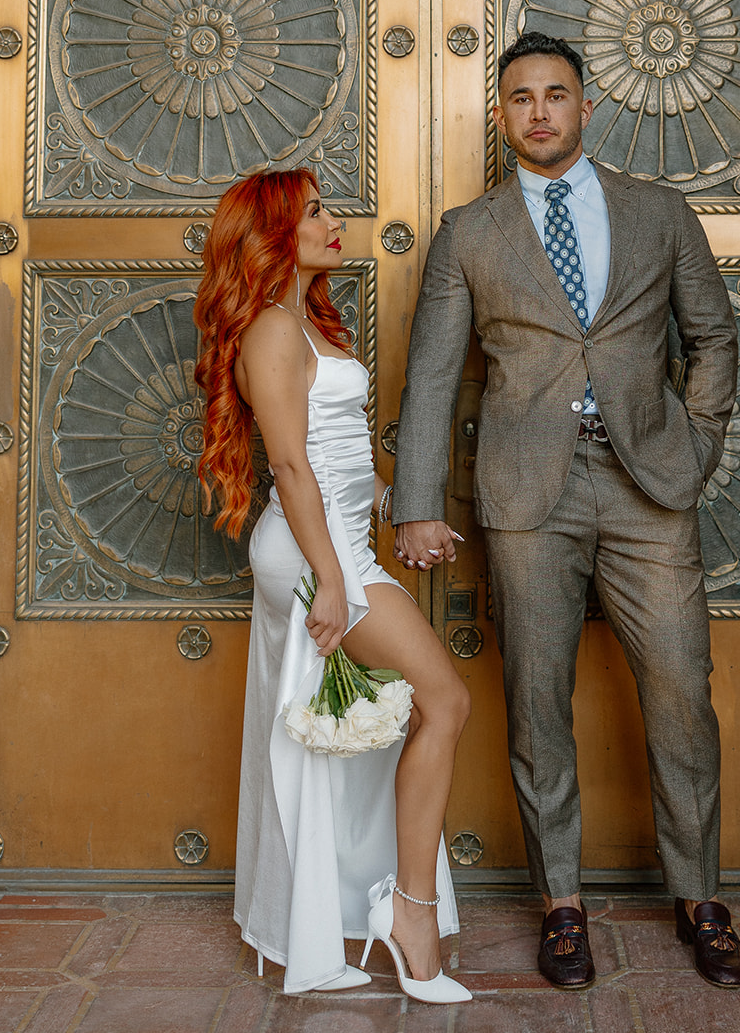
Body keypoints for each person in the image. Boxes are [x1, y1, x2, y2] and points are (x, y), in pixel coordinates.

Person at [391, 31, 740, 991]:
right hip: (524, 495)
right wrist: (417, 501)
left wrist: (696, 443)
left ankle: (700, 899)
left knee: (680, 693)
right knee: (536, 702)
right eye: (520, 98)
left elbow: (712, 340)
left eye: (556, 94)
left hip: (648, 488)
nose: (539, 110)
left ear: (587, 107)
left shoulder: (658, 213)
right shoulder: (470, 232)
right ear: (501, 116)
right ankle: (562, 907)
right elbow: (430, 378)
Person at [194, 169, 471, 1002]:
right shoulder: (272, 333)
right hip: (314, 552)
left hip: (342, 540)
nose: (332, 221)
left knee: (374, 733)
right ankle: (408, 915)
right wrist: (329, 580)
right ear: (274, 232)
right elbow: (288, 464)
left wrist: (402, 507)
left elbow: (339, 457)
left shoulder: (301, 323)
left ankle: (363, 910)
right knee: (444, 703)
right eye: (313, 212)